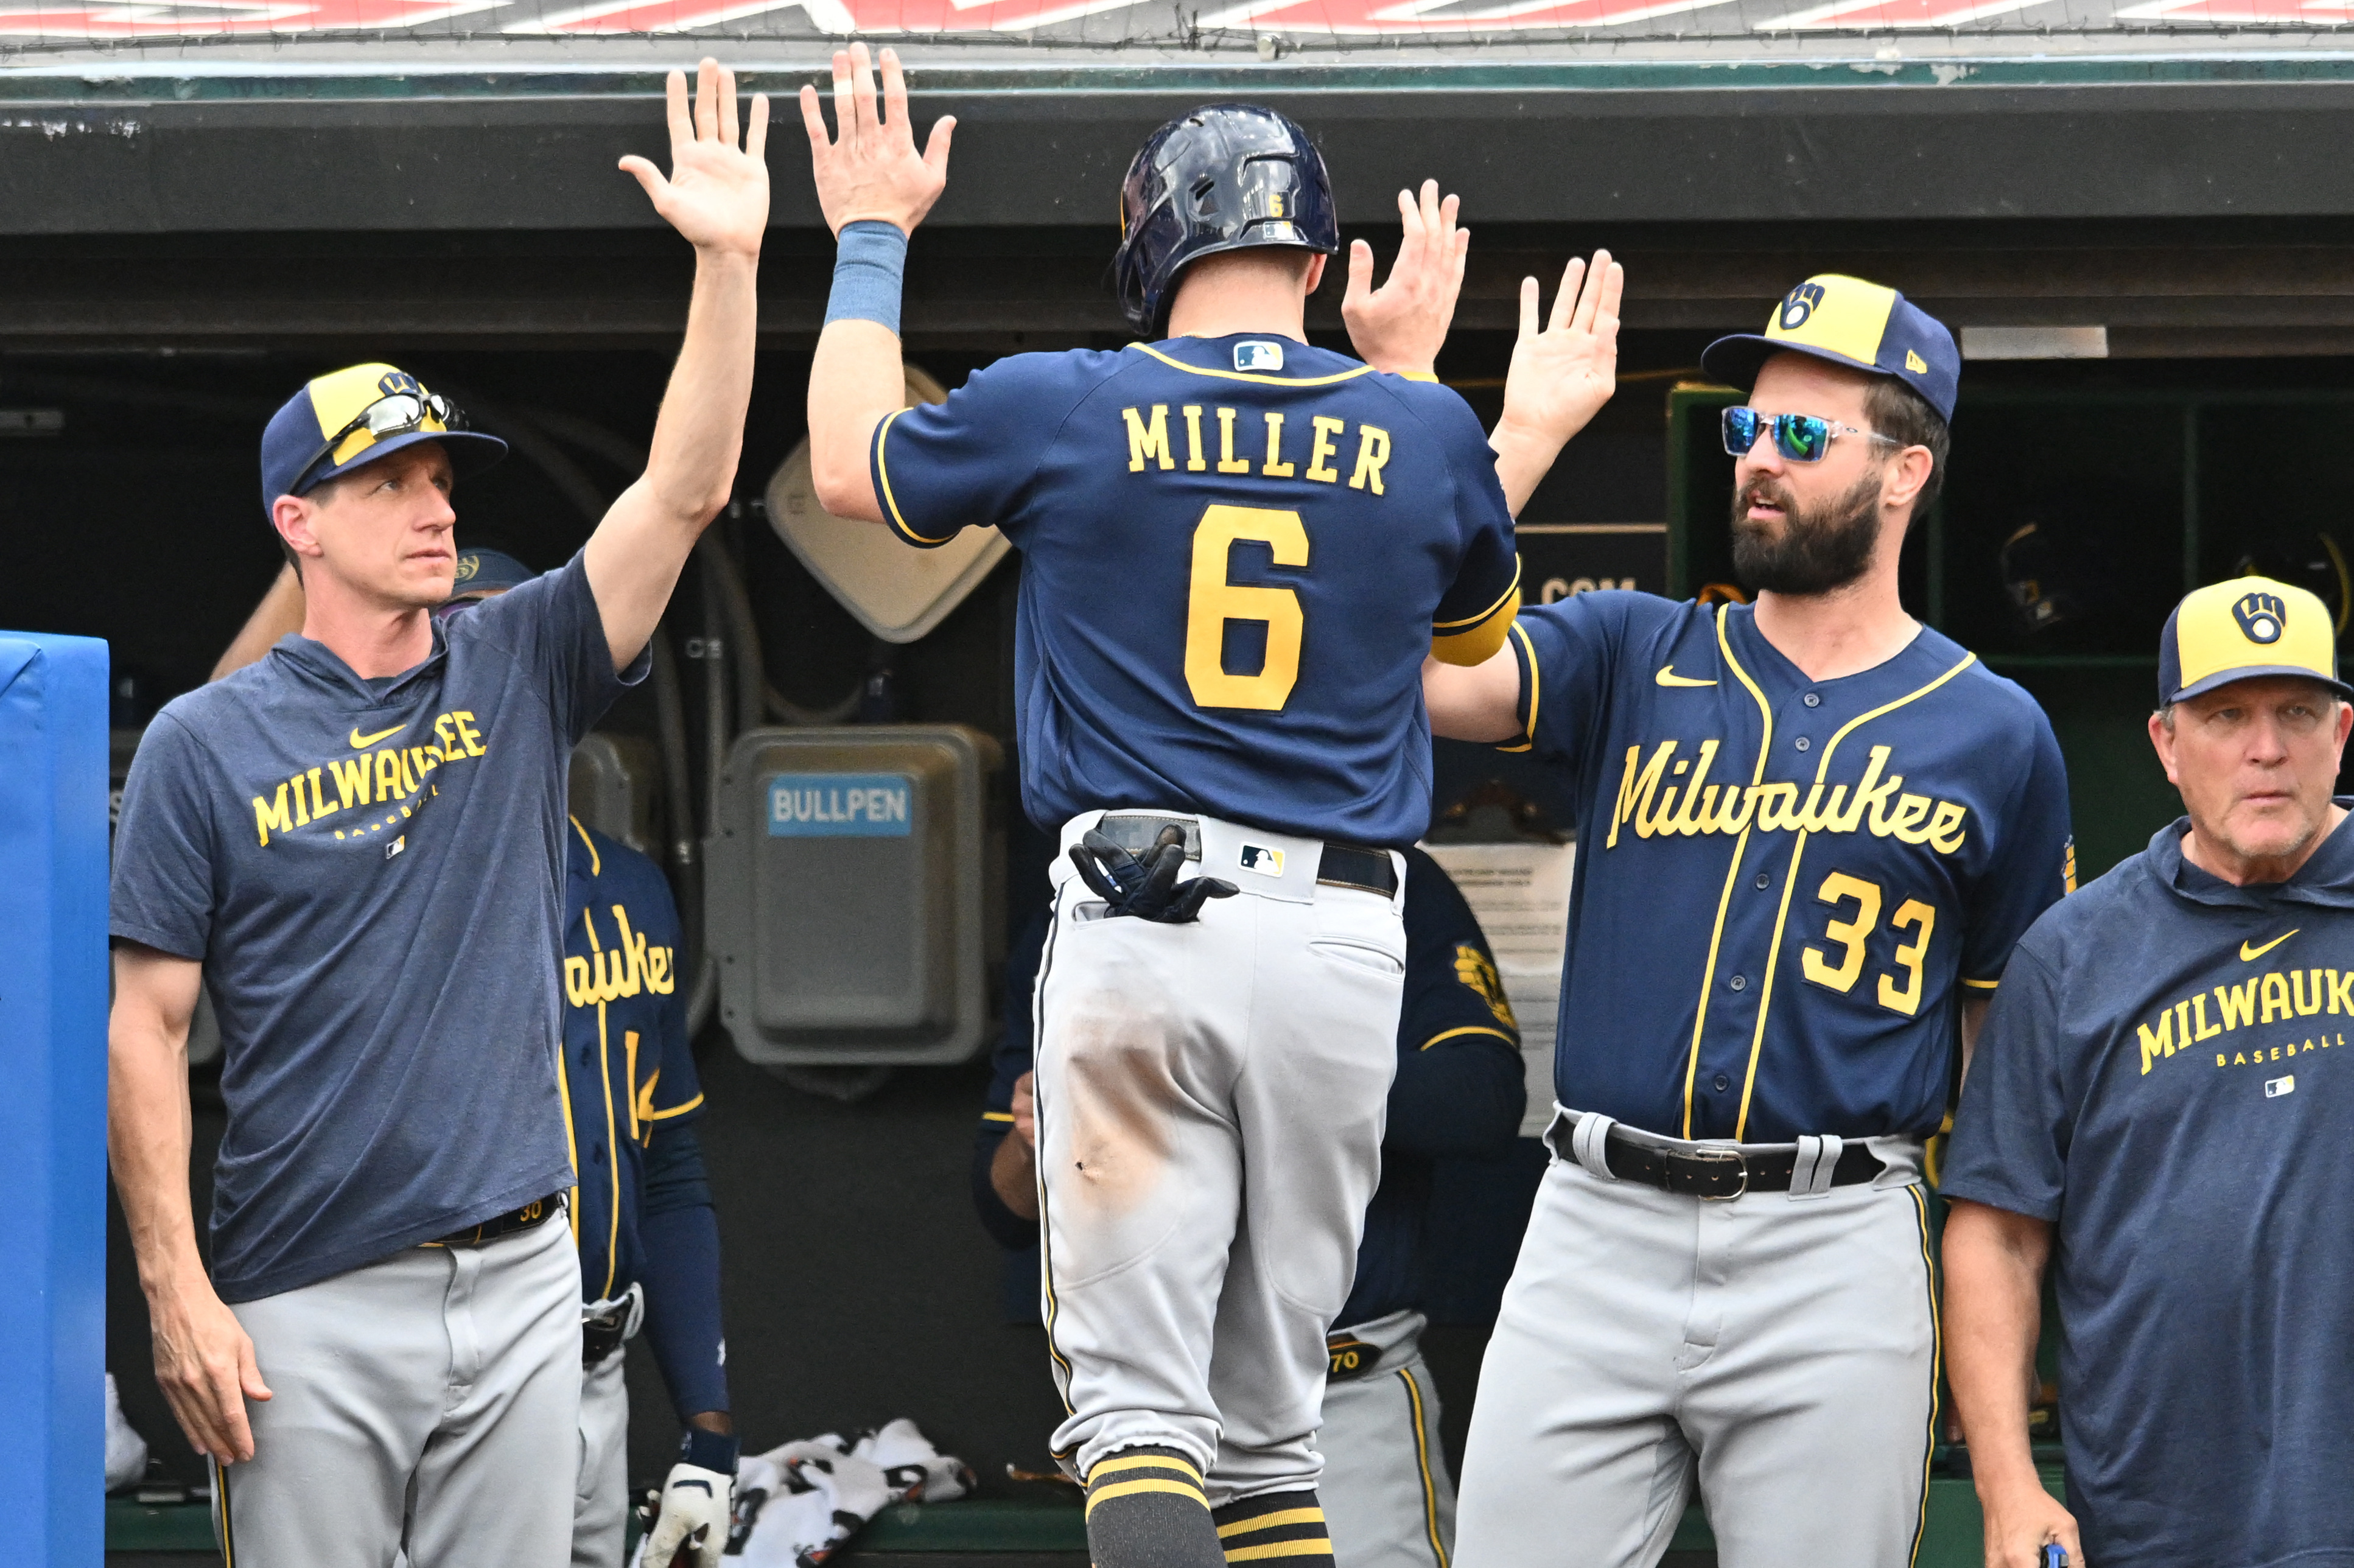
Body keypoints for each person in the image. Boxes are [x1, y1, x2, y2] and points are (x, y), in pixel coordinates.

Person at [794, 46, 1583, 1567]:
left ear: (1155, 247)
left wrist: (871, 233)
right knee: (1272, 1433)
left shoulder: (1068, 401)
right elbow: (1462, 651)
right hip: (1349, 939)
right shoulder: (1425, 433)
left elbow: (842, 471)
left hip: (1146, 919)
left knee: (1144, 1420)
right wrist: (1401, 383)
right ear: (1309, 249)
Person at [105, 59, 766, 1568]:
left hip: (527, 1270)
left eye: (441, 476)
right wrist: (175, 1289)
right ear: (299, 523)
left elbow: (682, 491)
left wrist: (726, 264)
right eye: (389, 480)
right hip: (308, 1291)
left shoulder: (515, 658)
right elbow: (143, 1029)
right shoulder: (209, 742)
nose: (434, 504)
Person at [1419, 275, 2076, 1567]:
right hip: (1594, 1219)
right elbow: (1390, 660)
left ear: (1903, 472)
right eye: (1748, 431)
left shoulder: (1996, 734)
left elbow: (1999, 1075)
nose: (1758, 461)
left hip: (1831, 1240)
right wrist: (1525, 439)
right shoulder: (1632, 649)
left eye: (1803, 435)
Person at [207, 546, 741, 1568]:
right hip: (386, 1345)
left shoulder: (626, 889)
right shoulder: (345, 878)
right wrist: (317, 545)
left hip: (582, 1364)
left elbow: (666, 1169)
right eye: (450, 644)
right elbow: (224, 752)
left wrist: (708, 1426)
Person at [1941, 576, 2354, 1568]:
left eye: (2295, 713)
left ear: (2341, 731)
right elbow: (1996, 1236)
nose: (2265, 749)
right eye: (2224, 716)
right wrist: (2007, 1486)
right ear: (2165, 744)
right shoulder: (2072, 955)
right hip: (2154, 1513)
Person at [975, 846, 1527, 1568]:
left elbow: (1478, 1101)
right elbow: (1004, 1211)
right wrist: (1041, 1132)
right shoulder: (1101, 877)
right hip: (1147, 1396)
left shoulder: (1379, 868)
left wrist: (1247, 1070)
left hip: (1343, 1387)